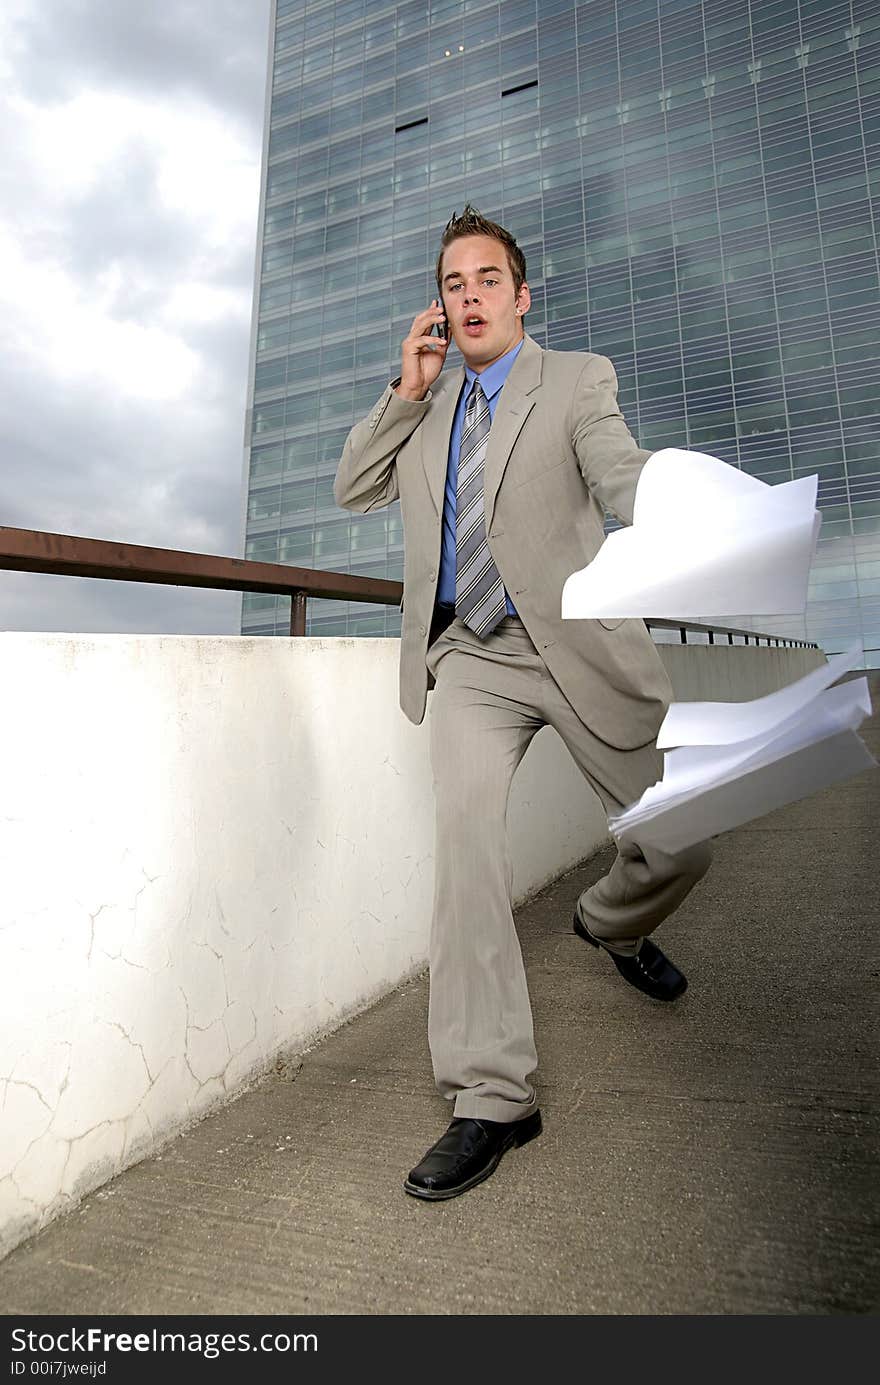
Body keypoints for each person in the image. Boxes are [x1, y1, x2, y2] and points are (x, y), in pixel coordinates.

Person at [334, 206, 712, 1201]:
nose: (469, 296)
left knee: (682, 836)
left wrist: (674, 503)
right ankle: (490, 1094)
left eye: (487, 279)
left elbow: (617, 468)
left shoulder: (577, 380)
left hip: (580, 643)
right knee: (465, 854)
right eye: (453, 283)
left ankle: (612, 921)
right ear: (439, 304)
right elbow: (349, 484)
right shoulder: (425, 408)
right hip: (471, 655)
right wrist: (401, 390)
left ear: (520, 292)